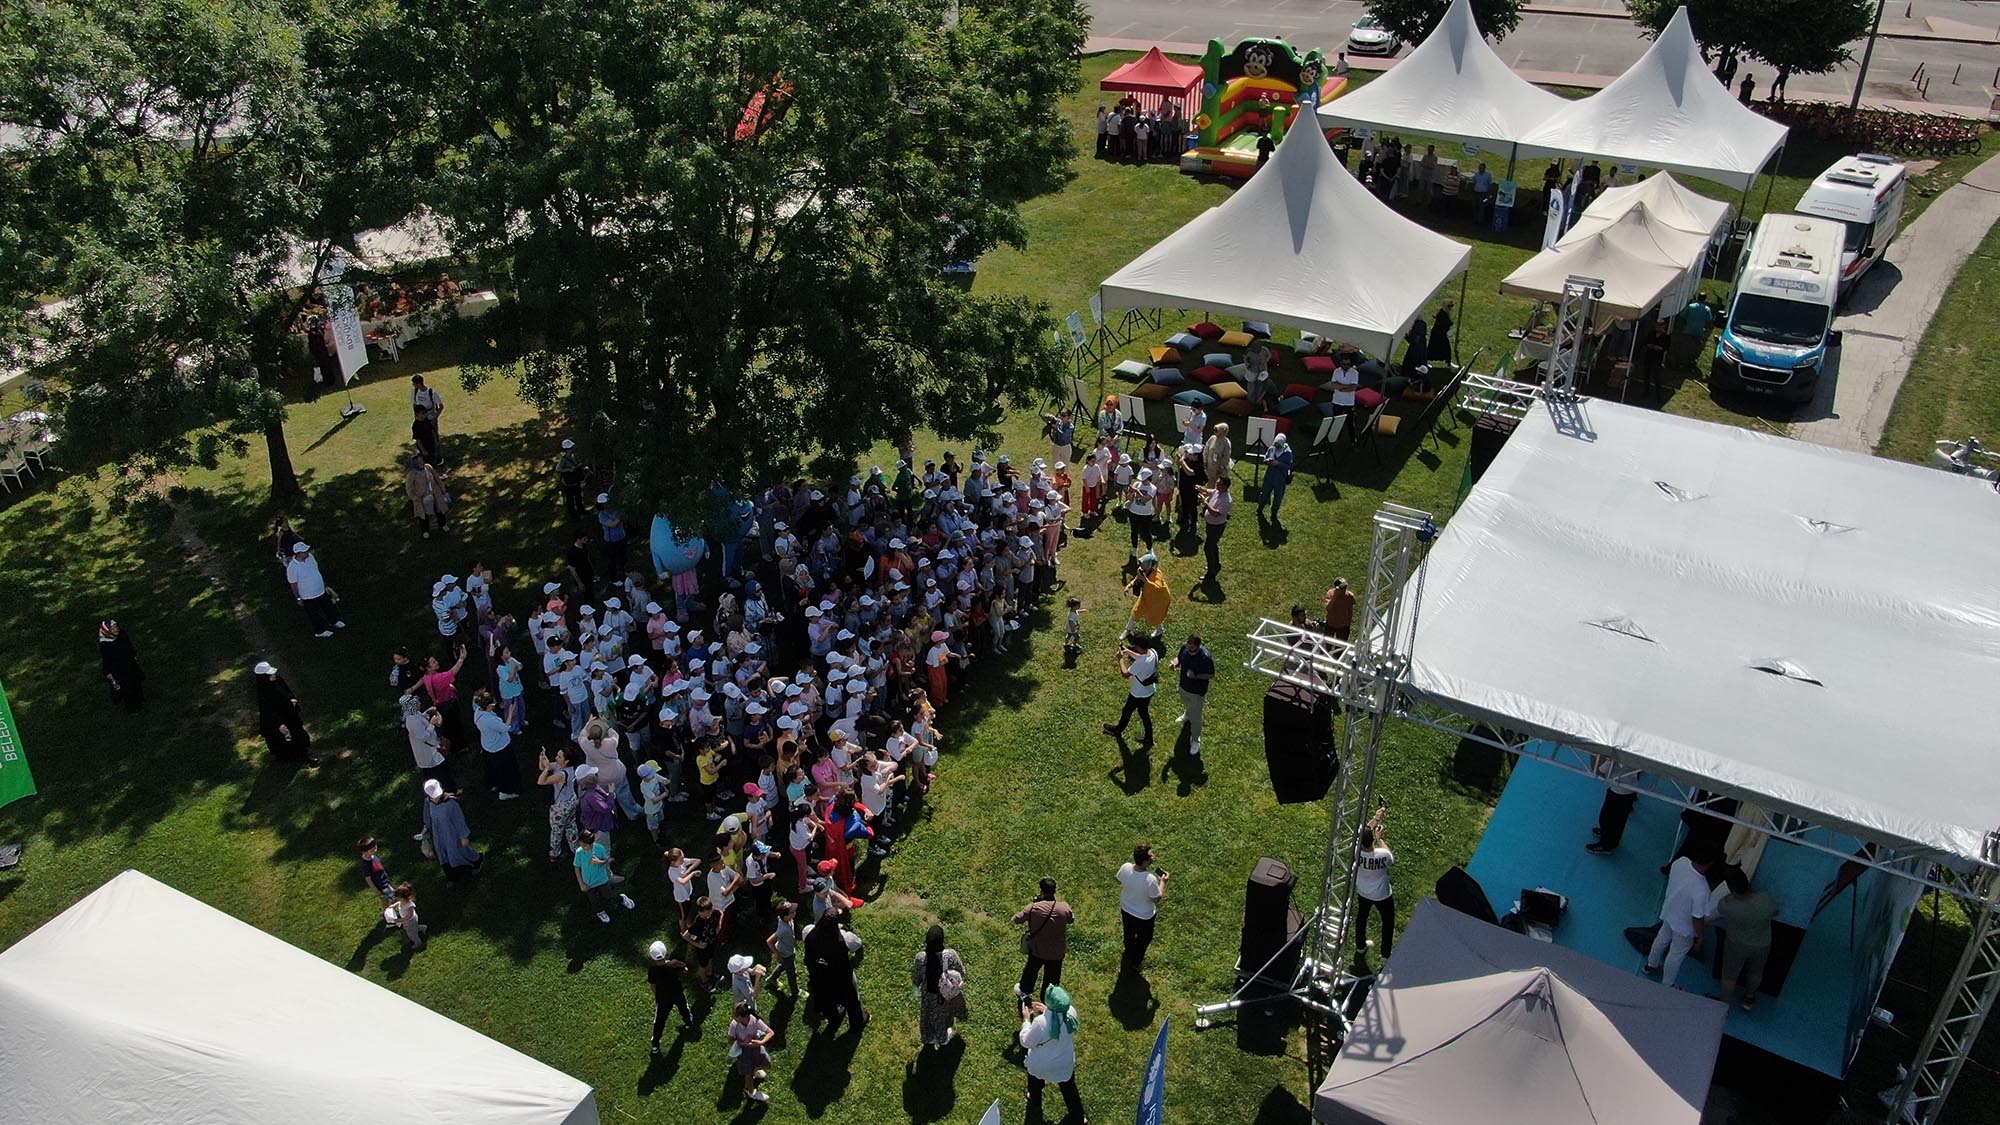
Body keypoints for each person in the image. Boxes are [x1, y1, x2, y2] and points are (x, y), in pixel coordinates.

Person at [1643, 848, 1717, 987]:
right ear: (1709, 863)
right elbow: (1697, 917)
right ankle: (1668, 984)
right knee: (1676, 955)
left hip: (1670, 912)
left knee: (1661, 940)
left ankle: (1650, 965)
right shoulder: (1702, 889)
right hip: (1685, 928)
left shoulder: (1680, 862)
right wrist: (1700, 936)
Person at [1018, 985, 1088, 1124]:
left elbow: (1026, 1041)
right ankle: (1079, 1118)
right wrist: (1046, 1010)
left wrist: (1026, 1021)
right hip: (1064, 1062)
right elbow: (1059, 1020)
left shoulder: (1040, 1022)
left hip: (1041, 1064)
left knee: (1035, 1082)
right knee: (1069, 1089)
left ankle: (1034, 1099)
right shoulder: (1072, 1012)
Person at [1714, 869, 1780, 1009]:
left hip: (1736, 945)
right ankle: (1749, 998)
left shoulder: (1728, 906)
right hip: (1762, 944)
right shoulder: (1765, 899)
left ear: (1731, 889)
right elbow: (1776, 912)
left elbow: (1719, 909)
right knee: (1756, 972)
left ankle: (1723, 1004)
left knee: (1729, 976)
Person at [804, 906, 868, 1034]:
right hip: (841, 977)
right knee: (852, 1000)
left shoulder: (809, 933)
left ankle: (834, 1019)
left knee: (826, 999)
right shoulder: (843, 939)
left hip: (819, 976)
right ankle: (857, 1022)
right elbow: (857, 943)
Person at [1013, 877, 1075, 1000]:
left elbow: (1015, 919)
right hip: (1057, 951)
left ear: (1041, 891)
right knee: (1052, 977)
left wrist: (1034, 904)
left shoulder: (1033, 908)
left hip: (1037, 949)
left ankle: (1025, 991)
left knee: (1031, 971)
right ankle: (1049, 998)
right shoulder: (1064, 907)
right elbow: (1071, 920)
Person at [911, 923, 970, 1049]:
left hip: (928, 996)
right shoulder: (950, 955)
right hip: (946, 996)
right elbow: (962, 972)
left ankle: (929, 1038)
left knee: (928, 1016)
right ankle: (943, 1039)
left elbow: (916, 977)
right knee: (944, 1017)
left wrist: (916, 986)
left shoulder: (921, 958)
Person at [255, 661, 318, 768]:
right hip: (280, 720)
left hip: (290, 714)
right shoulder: (264, 692)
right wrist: (279, 724)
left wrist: (292, 700)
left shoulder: (278, 681)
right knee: (286, 740)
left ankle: (303, 754)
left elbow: (288, 692)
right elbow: (268, 710)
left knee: (298, 733)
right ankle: (293, 758)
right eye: (270, 674)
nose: (273, 675)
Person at [1116, 843, 1168, 973]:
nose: (1153, 856)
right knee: (1143, 940)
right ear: (1145, 861)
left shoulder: (1125, 867)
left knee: (1129, 933)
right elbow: (1156, 898)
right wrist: (1163, 882)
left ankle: (1128, 952)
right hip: (1144, 916)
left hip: (1126, 908)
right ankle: (1135, 962)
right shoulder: (1150, 879)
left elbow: (1120, 879)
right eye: (1151, 855)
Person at [421, 778, 484, 882]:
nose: (435, 799)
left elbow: (459, 820)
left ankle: (477, 861)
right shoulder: (429, 803)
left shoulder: (450, 803)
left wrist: (464, 836)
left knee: (459, 851)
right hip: (439, 836)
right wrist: (426, 827)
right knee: (444, 855)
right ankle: (455, 875)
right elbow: (427, 817)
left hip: (452, 834)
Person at [1103, 635, 1159, 747]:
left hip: (1138, 693)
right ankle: (1149, 738)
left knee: (1127, 711)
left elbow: (1125, 674)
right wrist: (1128, 651)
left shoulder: (1141, 663)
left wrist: (1120, 659)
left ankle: (1118, 730)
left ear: (1138, 646)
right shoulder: (1153, 653)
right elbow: (1141, 656)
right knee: (1144, 714)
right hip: (1149, 691)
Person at [1355, 808, 1396, 959]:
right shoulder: (1383, 854)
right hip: (1382, 895)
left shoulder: (1356, 852)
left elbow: (1364, 831)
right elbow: (1390, 855)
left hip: (1363, 892)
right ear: (1372, 839)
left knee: (1362, 917)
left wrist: (1376, 818)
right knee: (1388, 922)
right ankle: (1385, 954)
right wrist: (1380, 839)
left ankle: (1360, 946)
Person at [285, 542, 345, 637]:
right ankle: (319, 631)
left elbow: (316, 571)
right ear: (298, 553)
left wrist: (325, 586)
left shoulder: (310, 557)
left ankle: (333, 621)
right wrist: (298, 598)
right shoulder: (292, 567)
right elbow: (293, 584)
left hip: (320, 590)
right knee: (314, 614)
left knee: (328, 607)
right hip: (308, 596)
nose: (307, 553)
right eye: (304, 551)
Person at [576, 828, 636, 922]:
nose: (582, 847)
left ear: (592, 843)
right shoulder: (579, 852)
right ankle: (600, 912)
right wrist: (581, 884)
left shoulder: (599, 848)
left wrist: (599, 862)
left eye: (585, 845)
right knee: (594, 901)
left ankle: (622, 898)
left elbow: (606, 861)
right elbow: (577, 868)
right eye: (581, 844)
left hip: (601, 879)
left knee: (608, 895)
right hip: (588, 882)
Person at [471, 689, 522, 799]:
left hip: (488, 745)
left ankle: (493, 784)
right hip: (500, 746)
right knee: (507, 770)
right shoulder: (490, 720)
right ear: (488, 706)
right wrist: (510, 713)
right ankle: (506, 791)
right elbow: (506, 728)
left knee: (492, 768)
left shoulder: (478, 712)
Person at [1171, 634, 1215, 756]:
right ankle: (1187, 714)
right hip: (1184, 686)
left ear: (1198, 645)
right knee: (1186, 703)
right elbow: (1179, 658)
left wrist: (1196, 676)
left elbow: (1211, 675)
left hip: (1197, 692)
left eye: (1192, 646)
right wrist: (1174, 663)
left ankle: (1195, 741)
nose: (1189, 648)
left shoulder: (1205, 657)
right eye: (1189, 644)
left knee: (1196, 718)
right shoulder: (1185, 648)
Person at [1586, 760, 1642, 854]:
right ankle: (1607, 834)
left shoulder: (1618, 759)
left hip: (1619, 790)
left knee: (1607, 818)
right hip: (1629, 789)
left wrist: (1595, 757)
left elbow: (1600, 770)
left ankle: (1606, 845)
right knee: (1619, 820)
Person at [648, 940, 694, 1051]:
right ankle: (688, 1022)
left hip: (663, 999)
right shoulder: (672, 965)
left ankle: (655, 1043)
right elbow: (685, 969)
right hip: (677, 993)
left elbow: (653, 986)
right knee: (683, 1007)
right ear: (665, 952)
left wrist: (657, 996)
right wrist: (677, 962)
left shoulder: (652, 971)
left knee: (660, 1020)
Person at [727, 1000, 776, 1103]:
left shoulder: (755, 1020)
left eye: (737, 1015)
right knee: (748, 1075)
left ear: (744, 1017)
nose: (734, 1017)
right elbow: (730, 1040)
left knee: (767, 1064)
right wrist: (743, 1043)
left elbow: (770, 1032)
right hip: (743, 1052)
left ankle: (755, 1070)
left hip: (756, 1047)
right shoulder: (734, 1024)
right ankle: (751, 1092)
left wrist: (760, 1042)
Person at [97, 618, 144, 712]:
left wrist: (133, 655)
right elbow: (107, 660)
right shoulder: (105, 645)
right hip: (119, 669)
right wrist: (108, 672)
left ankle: (140, 698)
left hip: (130, 663)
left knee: (136, 681)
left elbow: (129, 645)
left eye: (116, 627)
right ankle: (132, 708)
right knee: (127, 687)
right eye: (113, 628)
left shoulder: (122, 634)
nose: (116, 629)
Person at [403, 454, 450, 539]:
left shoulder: (428, 467)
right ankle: (425, 531)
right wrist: (415, 498)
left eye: (421, 461)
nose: (421, 463)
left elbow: (436, 478)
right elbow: (409, 489)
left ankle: (443, 524)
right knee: (423, 515)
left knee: (439, 510)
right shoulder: (412, 474)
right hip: (422, 498)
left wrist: (443, 489)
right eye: (418, 462)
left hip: (434, 494)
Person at [1199, 477, 1232, 581]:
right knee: (1214, 545)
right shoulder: (1217, 491)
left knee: (1208, 548)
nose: (1216, 485)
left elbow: (1216, 513)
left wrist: (1205, 502)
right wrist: (1199, 488)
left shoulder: (1227, 500)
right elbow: (1208, 491)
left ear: (1225, 487)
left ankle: (1211, 572)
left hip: (1216, 527)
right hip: (1211, 525)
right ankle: (1216, 564)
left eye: (1219, 484)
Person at [1258, 433, 1294, 525]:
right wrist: (1267, 461)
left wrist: (1278, 464)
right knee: (1264, 493)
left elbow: (1289, 467)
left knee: (1278, 497)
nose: (1276, 446)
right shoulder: (1271, 448)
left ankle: (1274, 513)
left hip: (1280, 479)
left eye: (1278, 445)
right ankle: (1260, 509)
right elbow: (1265, 457)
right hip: (1269, 476)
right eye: (1275, 444)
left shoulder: (1288, 453)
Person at [1674, 292, 1715, 367]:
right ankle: (1691, 362)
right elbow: (1709, 321)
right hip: (1699, 331)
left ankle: (1682, 362)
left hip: (1688, 330)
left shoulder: (1690, 306)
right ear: (1705, 299)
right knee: (1695, 348)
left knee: (1685, 347)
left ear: (1697, 298)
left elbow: (1682, 316)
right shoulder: (1706, 309)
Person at [596, 492, 629, 579]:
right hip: (611, 541)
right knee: (612, 560)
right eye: (605, 503)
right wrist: (620, 516)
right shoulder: (602, 515)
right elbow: (613, 524)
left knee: (623, 556)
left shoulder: (616, 510)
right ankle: (613, 577)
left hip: (622, 537)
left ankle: (622, 570)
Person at [391, 882, 427, 951]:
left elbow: (409, 915)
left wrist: (401, 920)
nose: (398, 900)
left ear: (404, 898)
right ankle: (422, 928)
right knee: (414, 927)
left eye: (399, 898)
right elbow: (398, 903)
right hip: (408, 921)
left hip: (410, 920)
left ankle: (417, 942)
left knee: (411, 933)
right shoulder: (402, 901)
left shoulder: (409, 905)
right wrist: (393, 906)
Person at [1429, 300, 1455, 368]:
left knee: (1446, 349)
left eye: (1452, 306)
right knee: (1434, 349)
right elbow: (1446, 323)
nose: (1450, 308)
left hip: (1442, 334)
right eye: (1449, 306)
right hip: (1438, 335)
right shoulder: (1441, 314)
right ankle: (1426, 361)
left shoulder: (1445, 313)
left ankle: (1449, 362)